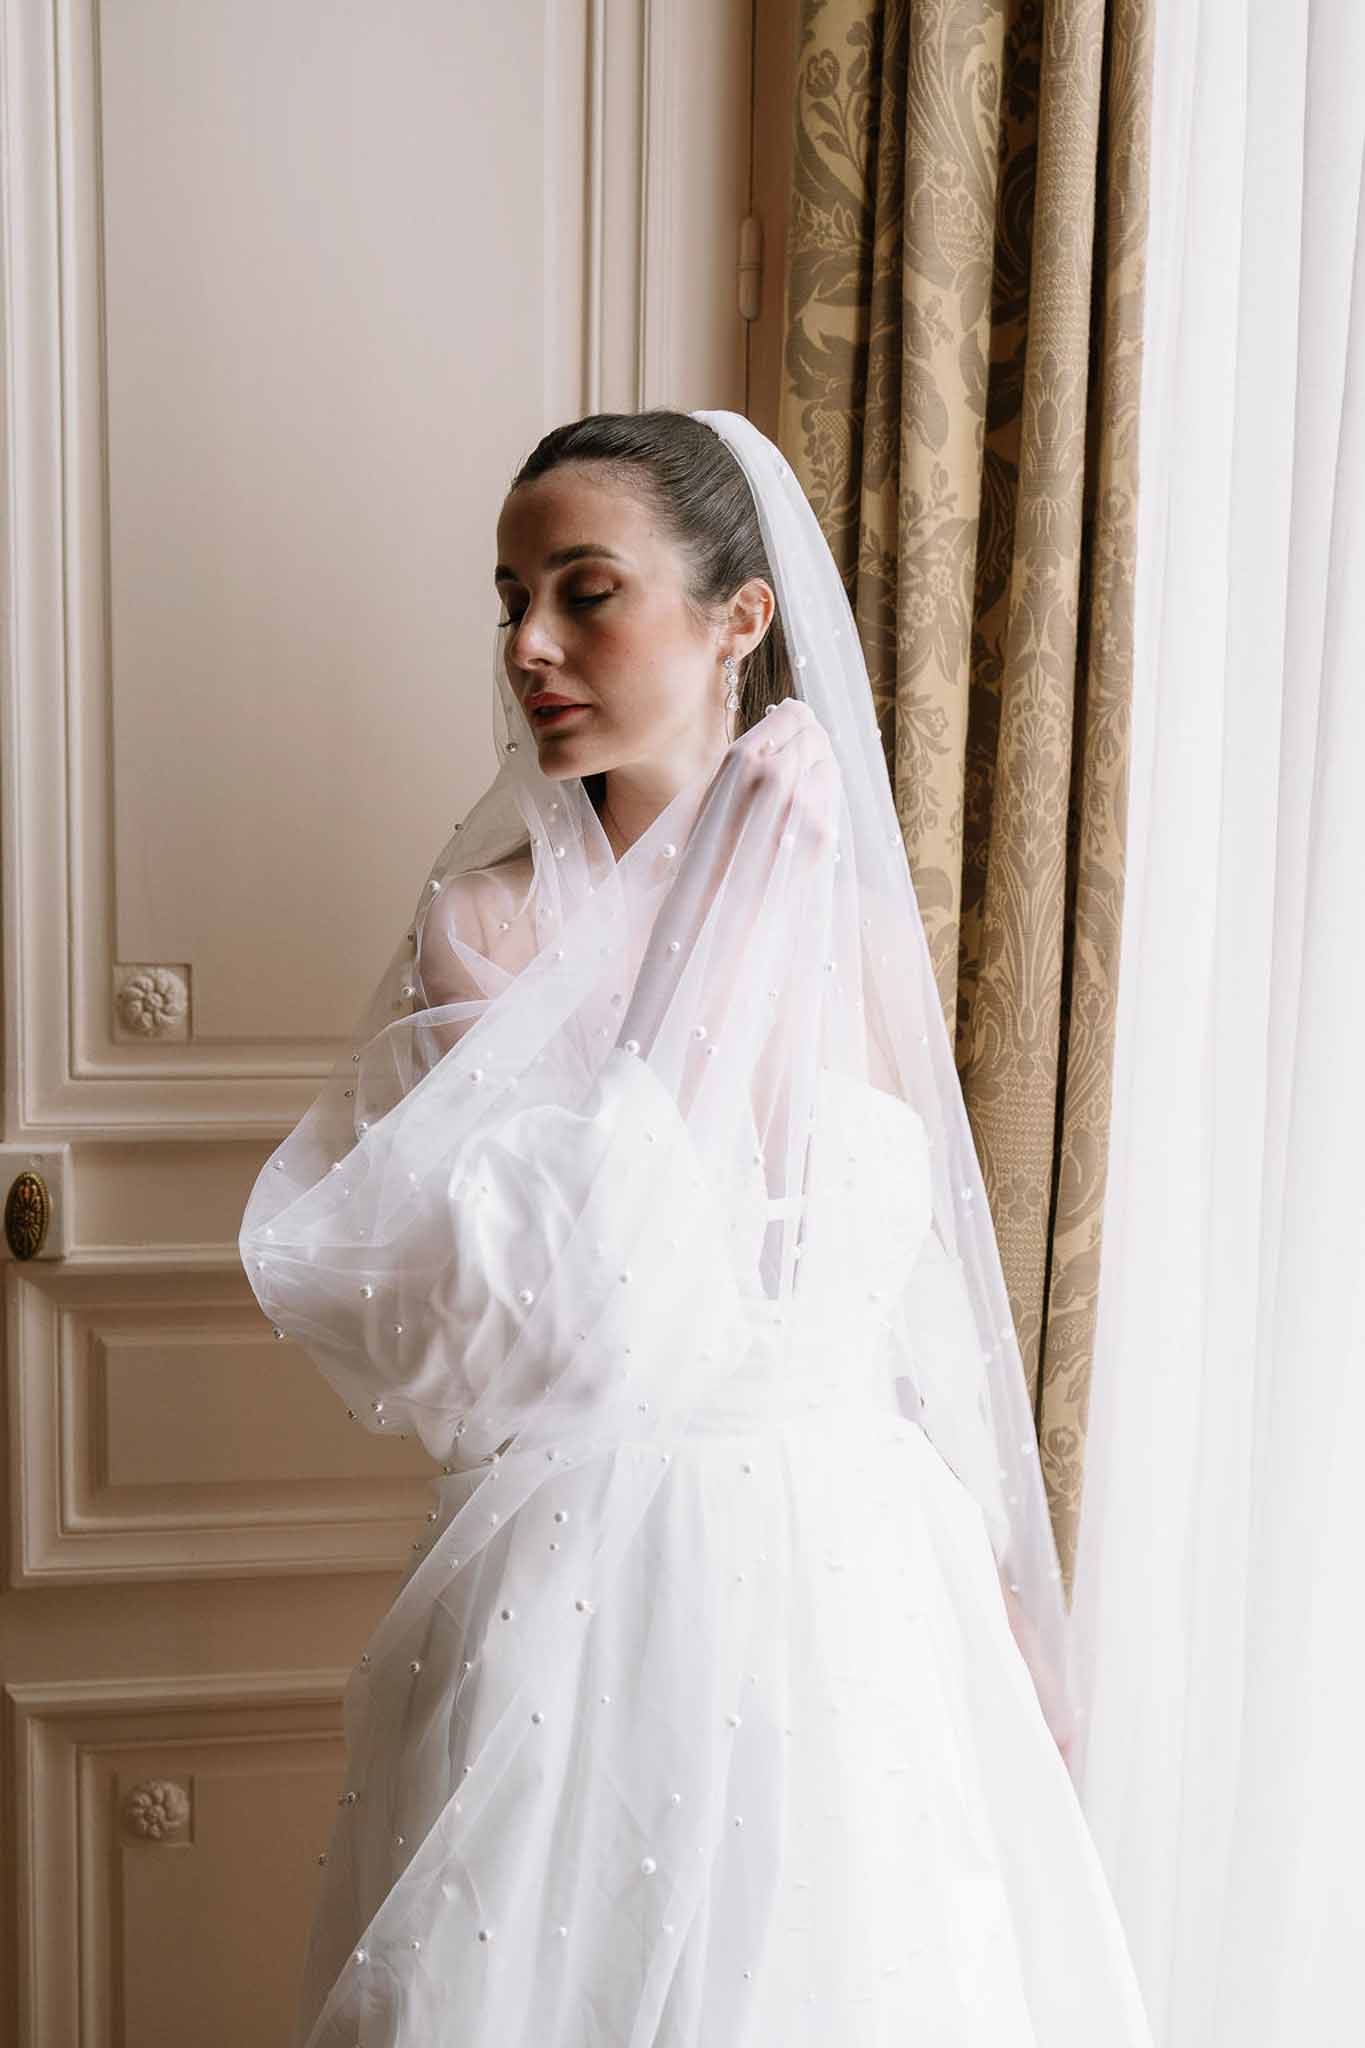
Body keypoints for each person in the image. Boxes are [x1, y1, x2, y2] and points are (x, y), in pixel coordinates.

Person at [240, 408, 1156, 2044]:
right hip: (594, 1572)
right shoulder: (485, 927)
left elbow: (902, 1287)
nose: (530, 645)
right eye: (511, 597)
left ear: (738, 618)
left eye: (585, 592)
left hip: (861, 1568)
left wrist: (1007, 1596)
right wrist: (720, 919)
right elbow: (595, 1287)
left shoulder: (856, 920)